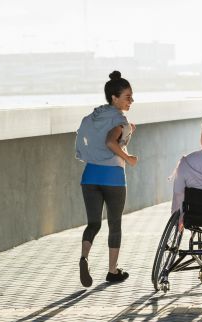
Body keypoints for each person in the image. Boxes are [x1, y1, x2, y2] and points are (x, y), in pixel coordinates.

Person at [75, 71, 138, 287]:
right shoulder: (120, 120)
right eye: (127, 96)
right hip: (112, 177)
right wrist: (128, 158)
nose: (131, 100)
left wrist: (128, 134)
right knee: (114, 224)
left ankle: (84, 257)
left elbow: (99, 140)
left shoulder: (95, 116)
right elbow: (111, 143)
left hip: (90, 175)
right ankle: (112, 271)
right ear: (114, 98)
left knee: (93, 223)